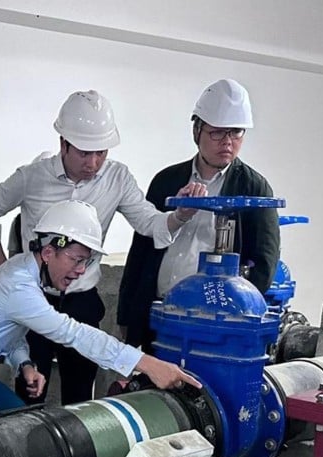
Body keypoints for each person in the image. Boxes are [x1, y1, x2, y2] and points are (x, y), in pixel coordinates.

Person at [0, 90, 206, 408]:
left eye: (100, 152)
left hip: (81, 300)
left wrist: (179, 215)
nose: (93, 163)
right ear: (63, 144)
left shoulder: (117, 178)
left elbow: (150, 224)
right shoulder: (32, 178)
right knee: (29, 395)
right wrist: (2, 268)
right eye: (84, 153)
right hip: (33, 300)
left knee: (82, 397)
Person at [0, 200, 201, 418]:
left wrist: (25, 364)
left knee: (26, 425)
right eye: (76, 260)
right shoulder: (18, 285)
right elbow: (73, 333)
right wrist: (149, 364)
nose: (80, 270)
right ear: (48, 252)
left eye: (86, 261)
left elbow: (9, 332)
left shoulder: (26, 272)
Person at [118, 79, 280, 351]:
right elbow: (141, 250)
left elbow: (265, 262)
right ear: (197, 131)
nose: (227, 142)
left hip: (213, 323)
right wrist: (126, 313)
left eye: (236, 133)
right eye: (217, 133)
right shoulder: (166, 180)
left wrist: (236, 316)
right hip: (158, 313)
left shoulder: (254, 188)